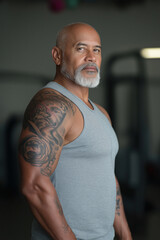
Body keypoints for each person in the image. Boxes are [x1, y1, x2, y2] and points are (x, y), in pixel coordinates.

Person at [18, 22, 132, 240]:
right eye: (81, 48)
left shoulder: (101, 113)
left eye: (96, 50)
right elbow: (34, 186)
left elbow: (108, 177)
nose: (91, 57)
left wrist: (125, 235)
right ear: (57, 55)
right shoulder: (52, 106)